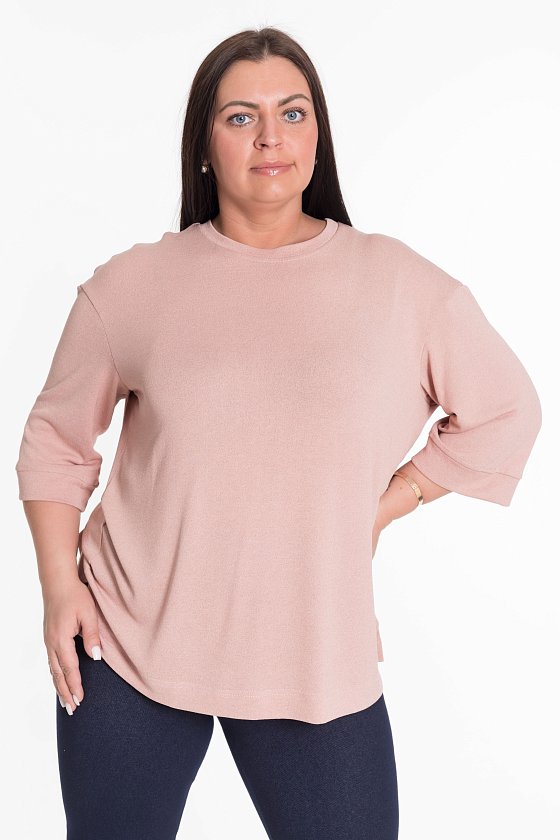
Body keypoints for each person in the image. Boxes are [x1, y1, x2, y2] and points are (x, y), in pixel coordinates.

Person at [15, 26, 542, 840]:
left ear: (317, 134)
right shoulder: (133, 285)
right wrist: (59, 590)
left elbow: (507, 407)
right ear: (204, 145)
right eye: (241, 117)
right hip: (126, 643)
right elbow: (54, 442)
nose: (271, 137)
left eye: (293, 113)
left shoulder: (400, 285)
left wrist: (385, 505)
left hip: (312, 657)